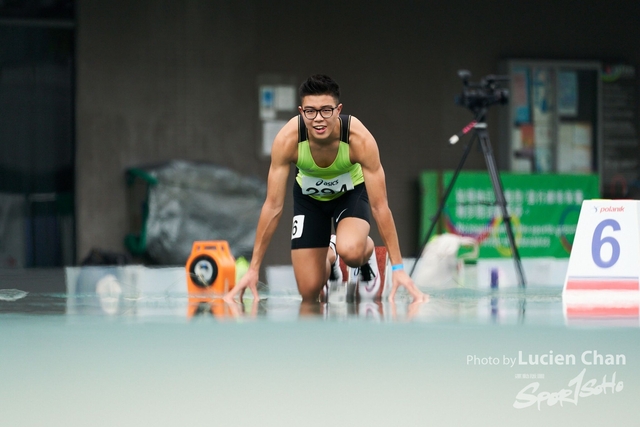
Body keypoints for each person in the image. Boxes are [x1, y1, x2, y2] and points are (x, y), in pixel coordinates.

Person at [224, 74, 427, 304]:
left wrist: (399, 267)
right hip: (309, 200)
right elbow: (273, 206)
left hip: (349, 195)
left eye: (326, 110)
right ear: (301, 112)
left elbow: (381, 206)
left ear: (338, 110)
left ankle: (364, 249)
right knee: (309, 291)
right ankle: (330, 253)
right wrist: (253, 269)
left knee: (350, 251)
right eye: (311, 111)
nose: (318, 119)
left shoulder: (358, 139)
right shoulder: (287, 140)